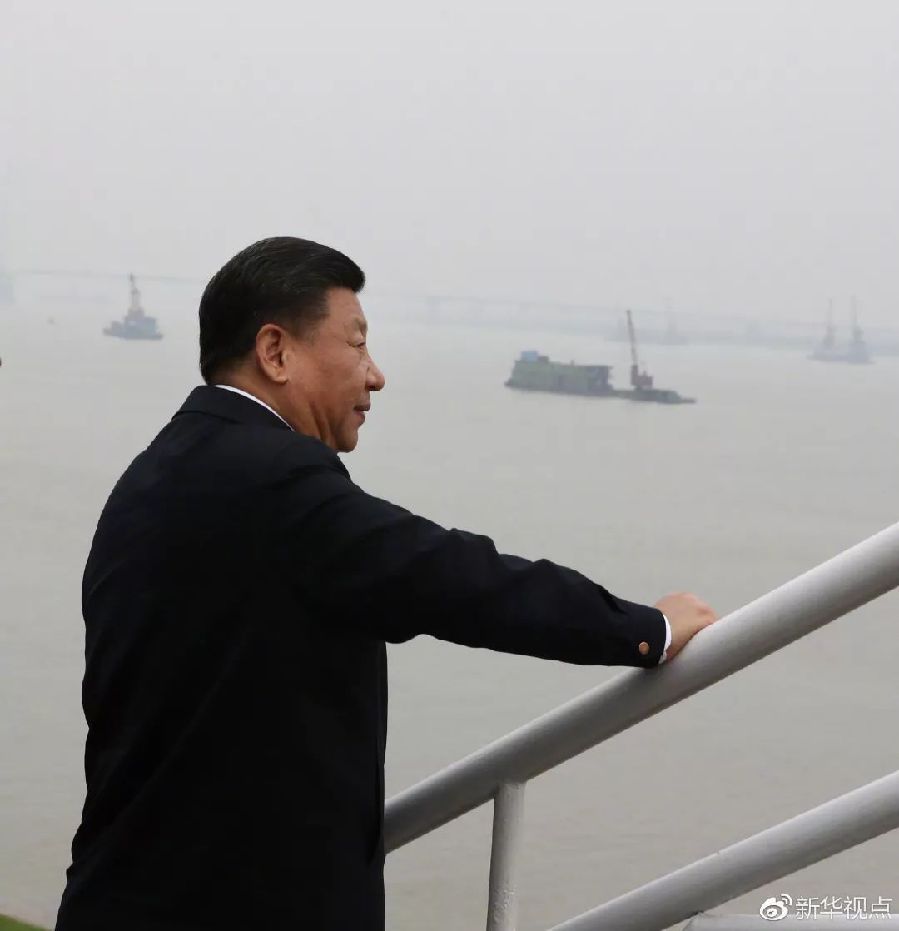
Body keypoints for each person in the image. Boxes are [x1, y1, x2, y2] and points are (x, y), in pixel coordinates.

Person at [55, 237, 716, 931]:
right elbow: (454, 578)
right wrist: (646, 628)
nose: (376, 376)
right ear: (275, 351)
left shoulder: (151, 475)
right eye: (357, 343)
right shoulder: (277, 482)